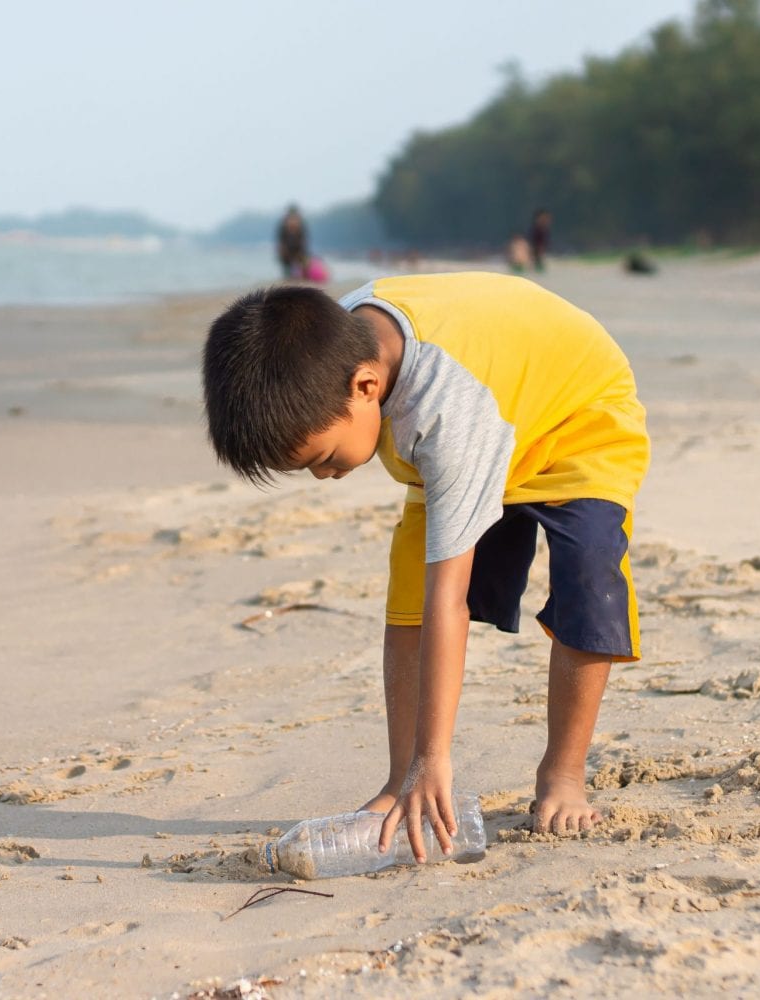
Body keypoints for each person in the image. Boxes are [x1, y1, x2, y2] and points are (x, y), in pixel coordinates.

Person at [201, 273, 649, 861]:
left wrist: (435, 760)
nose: (323, 476)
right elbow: (421, 604)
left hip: (576, 416)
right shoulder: (336, 346)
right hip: (493, 407)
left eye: (324, 458)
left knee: (588, 581)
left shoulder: (446, 412)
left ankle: (563, 774)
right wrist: (410, 771)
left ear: (366, 385)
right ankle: (397, 781)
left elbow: (450, 601)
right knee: (408, 592)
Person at [276, 204, 309, 279]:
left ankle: (302, 277)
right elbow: (280, 243)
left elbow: (304, 242)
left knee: (302, 265)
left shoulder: (301, 228)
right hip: (287, 253)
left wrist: (300, 254)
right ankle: (288, 277)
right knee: (287, 269)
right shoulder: (283, 228)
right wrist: (283, 251)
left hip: (299, 252)